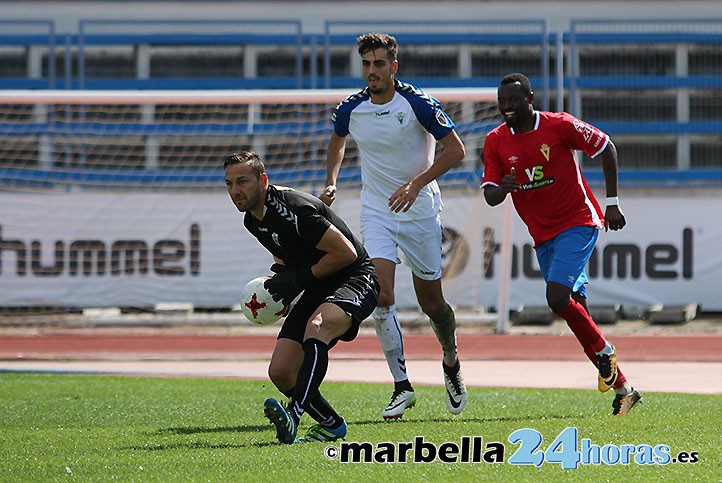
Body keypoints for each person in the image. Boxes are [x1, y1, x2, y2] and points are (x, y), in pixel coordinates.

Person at [320, 32, 468, 420]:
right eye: (367, 64)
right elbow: (337, 140)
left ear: (393, 66)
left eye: (379, 64)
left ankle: (451, 362)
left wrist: (416, 183)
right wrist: (332, 180)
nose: (372, 71)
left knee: (432, 304)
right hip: (377, 212)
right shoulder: (351, 108)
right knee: (381, 295)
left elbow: (457, 150)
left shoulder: (417, 103)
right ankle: (402, 387)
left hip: (419, 212)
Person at [480, 73, 642, 416]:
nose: (506, 106)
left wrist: (612, 202)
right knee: (576, 308)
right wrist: (504, 187)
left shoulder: (558, 125)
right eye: (502, 100)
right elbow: (491, 195)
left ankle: (606, 353)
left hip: (577, 222)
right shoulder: (495, 141)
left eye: (513, 100)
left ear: (530, 99)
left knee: (556, 298)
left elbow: (606, 147)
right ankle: (624, 388)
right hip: (542, 236)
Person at [224, 151, 379, 443]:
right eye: (230, 184)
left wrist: (298, 281)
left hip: (356, 276)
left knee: (317, 326)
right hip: (317, 283)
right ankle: (331, 424)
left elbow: (346, 253)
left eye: (242, 181)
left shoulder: (293, 208)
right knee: (281, 372)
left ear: (263, 180)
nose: (235, 191)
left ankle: (293, 417)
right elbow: (284, 259)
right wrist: (282, 290)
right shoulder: (252, 221)